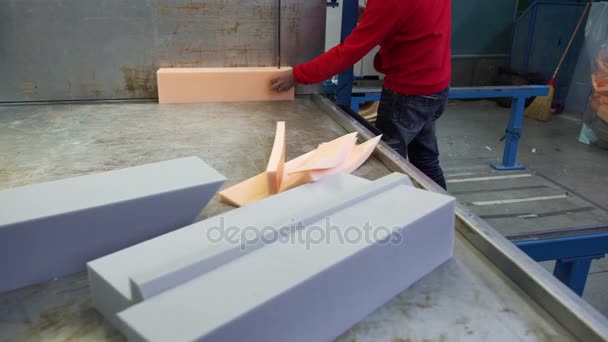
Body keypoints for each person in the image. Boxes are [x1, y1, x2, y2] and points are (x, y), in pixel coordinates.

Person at [271, 0, 451, 190]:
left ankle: (396, 211)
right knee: (425, 158)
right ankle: (446, 211)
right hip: (436, 86)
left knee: (388, 165)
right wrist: (371, 16)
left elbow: (348, 53)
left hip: (407, 95)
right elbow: (413, 22)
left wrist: (297, 75)